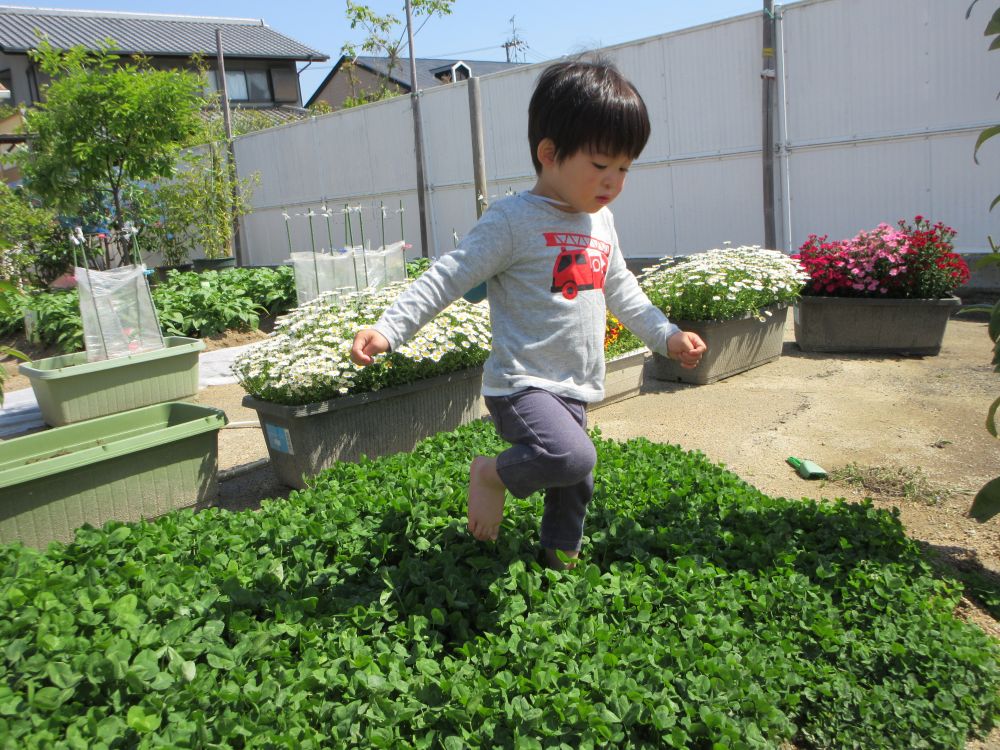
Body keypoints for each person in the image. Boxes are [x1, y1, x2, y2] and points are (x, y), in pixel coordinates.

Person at [350, 57, 707, 568]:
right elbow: (449, 274)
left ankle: (558, 559)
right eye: (601, 165)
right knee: (573, 456)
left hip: (574, 383)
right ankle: (490, 473)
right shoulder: (513, 220)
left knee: (575, 478)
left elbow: (621, 288)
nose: (613, 181)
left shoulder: (601, 222)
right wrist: (389, 328)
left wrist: (666, 336)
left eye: (624, 168)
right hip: (521, 384)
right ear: (549, 154)